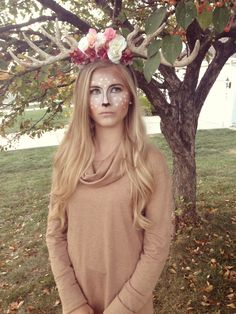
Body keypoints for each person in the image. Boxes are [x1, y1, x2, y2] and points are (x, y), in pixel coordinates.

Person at [46, 28, 174, 314]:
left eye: (115, 89)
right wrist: (74, 302)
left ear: (130, 97)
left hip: (131, 304)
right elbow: (55, 235)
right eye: (94, 91)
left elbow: (157, 244)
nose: (104, 101)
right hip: (80, 302)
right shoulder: (67, 158)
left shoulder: (150, 162)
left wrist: (124, 307)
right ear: (84, 101)